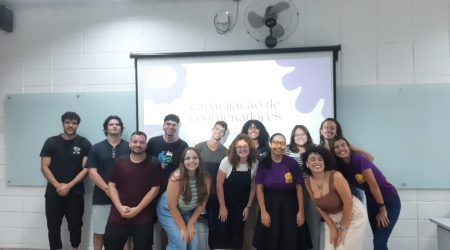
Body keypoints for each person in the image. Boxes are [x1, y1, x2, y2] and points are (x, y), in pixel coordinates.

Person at [333, 138, 401, 250]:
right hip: (372, 201)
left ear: (349, 147)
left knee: (379, 242)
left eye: (343, 145)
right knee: (378, 240)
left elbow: (374, 186)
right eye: (336, 147)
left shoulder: (359, 159)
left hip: (388, 201)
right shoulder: (343, 168)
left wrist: (382, 209)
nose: (340, 148)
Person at [40, 111, 92, 250]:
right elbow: (44, 167)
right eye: (68, 122)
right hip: (53, 192)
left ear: (77, 125)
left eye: (74, 123)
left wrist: (69, 185)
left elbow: (86, 169)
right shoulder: (51, 142)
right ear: (63, 123)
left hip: (75, 193)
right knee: (53, 226)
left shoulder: (84, 143)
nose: (70, 125)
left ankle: (75, 248)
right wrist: (58, 185)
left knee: (75, 225)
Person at [103, 131, 162, 250]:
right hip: (118, 215)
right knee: (110, 245)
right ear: (130, 144)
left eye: (142, 142)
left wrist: (137, 209)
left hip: (143, 216)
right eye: (135, 142)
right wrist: (120, 207)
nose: (138, 145)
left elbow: (155, 189)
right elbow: (111, 185)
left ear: (146, 145)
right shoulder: (120, 162)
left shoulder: (154, 163)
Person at [253, 133, 312, 250]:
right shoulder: (263, 163)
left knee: (291, 241)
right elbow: (259, 188)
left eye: (282, 143)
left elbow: (299, 187)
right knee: (270, 242)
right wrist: (263, 212)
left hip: (290, 207)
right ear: (270, 144)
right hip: (269, 206)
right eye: (275, 142)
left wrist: (301, 211)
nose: (279, 146)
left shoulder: (291, 162)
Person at [302, 146, 368, 250]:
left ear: (324, 162)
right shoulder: (307, 182)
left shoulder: (336, 176)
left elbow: (348, 203)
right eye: (312, 159)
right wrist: (332, 226)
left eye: (320, 159)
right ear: (307, 163)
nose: (317, 162)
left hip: (353, 215)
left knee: (342, 248)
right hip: (333, 219)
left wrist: (342, 228)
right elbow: (318, 206)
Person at [86, 115, 131, 250]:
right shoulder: (96, 148)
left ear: (121, 128)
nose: (114, 126)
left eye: (117, 124)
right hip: (101, 196)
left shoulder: (129, 147)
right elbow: (92, 172)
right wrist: (107, 190)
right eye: (111, 124)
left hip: (125, 197)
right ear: (106, 128)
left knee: (125, 232)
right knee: (100, 231)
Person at [146, 114, 188, 250]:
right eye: (168, 124)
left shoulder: (183, 145)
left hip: (171, 193)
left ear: (178, 127)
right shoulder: (152, 142)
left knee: (168, 226)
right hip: (151, 189)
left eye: (174, 125)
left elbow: (184, 169)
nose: (170, 127)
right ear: (163, 125)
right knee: (148, 223)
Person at [156, 147, 211, 250]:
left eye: (195, 157)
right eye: (187, 158)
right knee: (181, 241)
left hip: (187, 210)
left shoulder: (206, 178)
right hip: (168, 210)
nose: (191, 161)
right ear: (183, 162)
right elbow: (171, 206)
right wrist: (183, 228)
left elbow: (202, 203)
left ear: (199, 160)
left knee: (193, 241)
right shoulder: (176, 178)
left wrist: (190, 224)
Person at [210, 134, 259, 249]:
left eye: (245, 146)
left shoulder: (255, 163)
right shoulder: (226, 161)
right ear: (235, 149)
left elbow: (253, 185)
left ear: (250, 148)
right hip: (224, 204)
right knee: (221, 235)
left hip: (241, 207)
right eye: (239, 147)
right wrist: (222, 207)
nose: (242, 149)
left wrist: (248, 207)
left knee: (237, 236)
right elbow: (219, 184)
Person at [284, 125, 321, 250]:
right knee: (294, 223)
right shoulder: (287, 150)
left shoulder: (316, 149)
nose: (300, 137)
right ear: (293, 137)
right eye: (297, 135)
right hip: (292, 190)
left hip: (312, 189)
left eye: (303, 134)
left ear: (308, 135)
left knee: (313, 222)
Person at [194, 121, 228, 249]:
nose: (218, 132)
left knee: (214, 228)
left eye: (222, 131)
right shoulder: (199, 147)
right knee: (192, 225)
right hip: (198, 194)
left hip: (215, 195)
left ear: (224, 134)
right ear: (212, 129)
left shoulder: (225, 152)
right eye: (217, 129)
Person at [241, 119, 270, 250]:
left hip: (264, 191)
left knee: (263, 223)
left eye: (256, 127)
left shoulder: (268, 148)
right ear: (246, 131)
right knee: (248, 225)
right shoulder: (241, 147)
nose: (253, 130)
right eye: (250, 127)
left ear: (261, 130)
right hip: (245, 191)